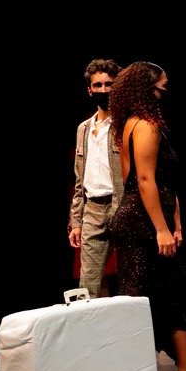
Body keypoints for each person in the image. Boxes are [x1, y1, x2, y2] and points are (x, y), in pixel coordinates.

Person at [109, 61, 186, 371]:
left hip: (151, 217)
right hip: (140, 222)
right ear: (148, 88)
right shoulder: (144, 125)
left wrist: (176, 223)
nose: (165, 92)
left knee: (175, 293)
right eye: (162, 86)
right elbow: (144, 181)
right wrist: (160, 228)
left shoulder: (135, 123)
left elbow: (166, 182)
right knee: (140, 298)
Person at [68, 58, 123, 298]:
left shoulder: (125, 124)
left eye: (109, 84)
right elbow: (79, 179)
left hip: (121, 205)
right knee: (87, 282)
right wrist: (76, 221)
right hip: (92, 209)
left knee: (132, 274)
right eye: (98, 85)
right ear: (89, 90)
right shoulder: (84, 128)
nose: (103, 90)